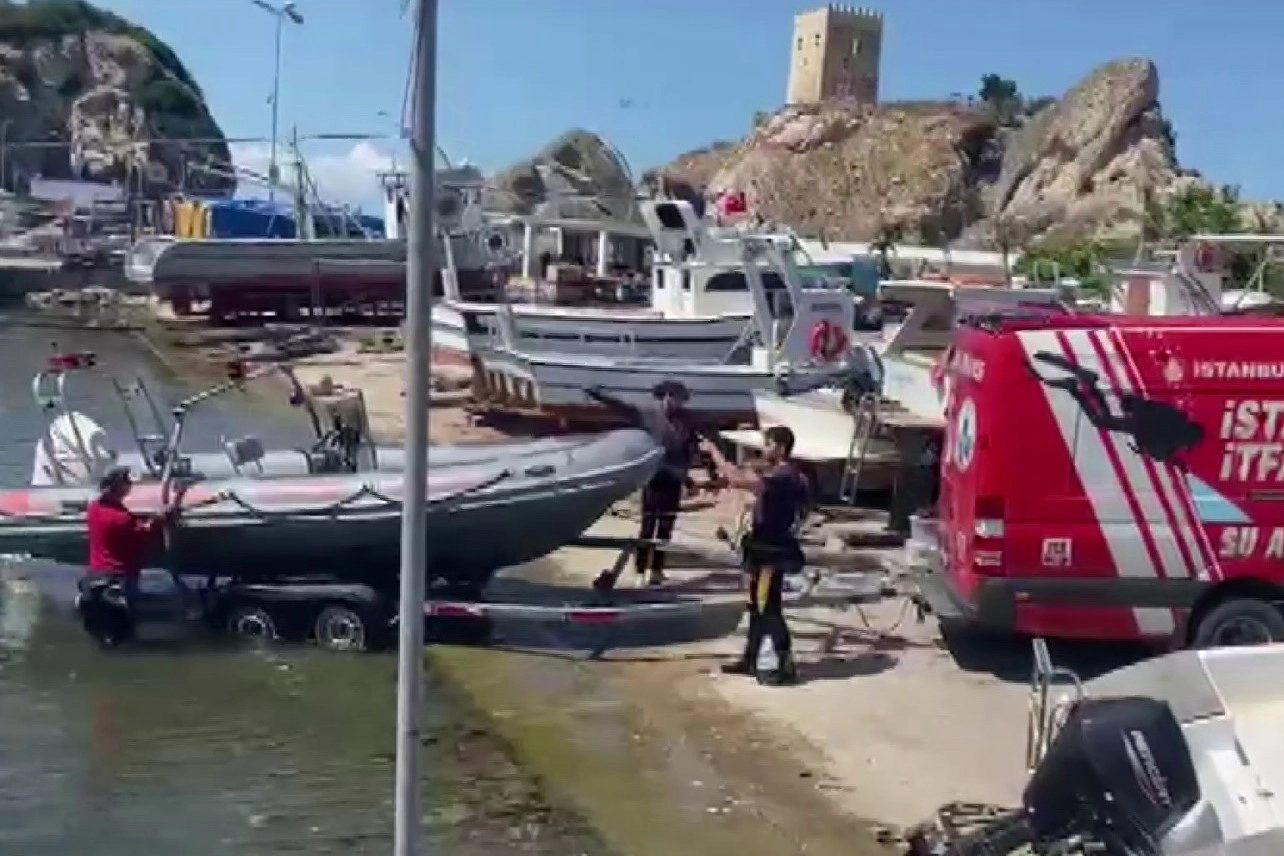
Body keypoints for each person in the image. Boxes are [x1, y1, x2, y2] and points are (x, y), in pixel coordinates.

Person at [698, 426, 808, 686]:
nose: (764, 449)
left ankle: (783, 663)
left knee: (768, 608)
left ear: (780, 447)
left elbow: (738, 480)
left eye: (768, 444)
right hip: (760, 550)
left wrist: (714, 452)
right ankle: (750, 658)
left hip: (772, 553)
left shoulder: (785, 475)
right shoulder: (780, 474)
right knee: (756, 607)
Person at [586, 380, 703, 588]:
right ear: (666, 396)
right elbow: (624, 408)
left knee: (666, 527)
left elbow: (691, 448)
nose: (679, 403)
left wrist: (689, 478)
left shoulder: (686, 420)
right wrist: (600, 396)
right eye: (676, 398)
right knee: (648, 526)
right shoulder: (650, 414)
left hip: (674, 478)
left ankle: (657, 570)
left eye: (682, 400)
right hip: (654, 476)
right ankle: (640, 569)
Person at [81, 467, 185, 644]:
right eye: (126, 482)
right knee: (124, 628)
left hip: (95, 574)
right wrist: (160, 519)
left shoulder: (94, 509)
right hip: (118, 577)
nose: (129, 485)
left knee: (105, 630)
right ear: (118, 487)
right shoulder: (121, 519)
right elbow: (144, 533)